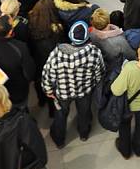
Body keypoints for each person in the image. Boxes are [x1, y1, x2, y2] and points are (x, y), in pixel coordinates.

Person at [42, 19, 104, 147]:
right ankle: (84, 134)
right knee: (84, 112)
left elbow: (47, 73)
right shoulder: (94, 52)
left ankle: (59, 141)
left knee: (60, 116)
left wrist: (47, 89)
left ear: (71, 35)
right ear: (87, 37)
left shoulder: (56, 54)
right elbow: (99, 73)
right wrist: (93, 83)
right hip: (84, 92)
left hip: (62, 93)